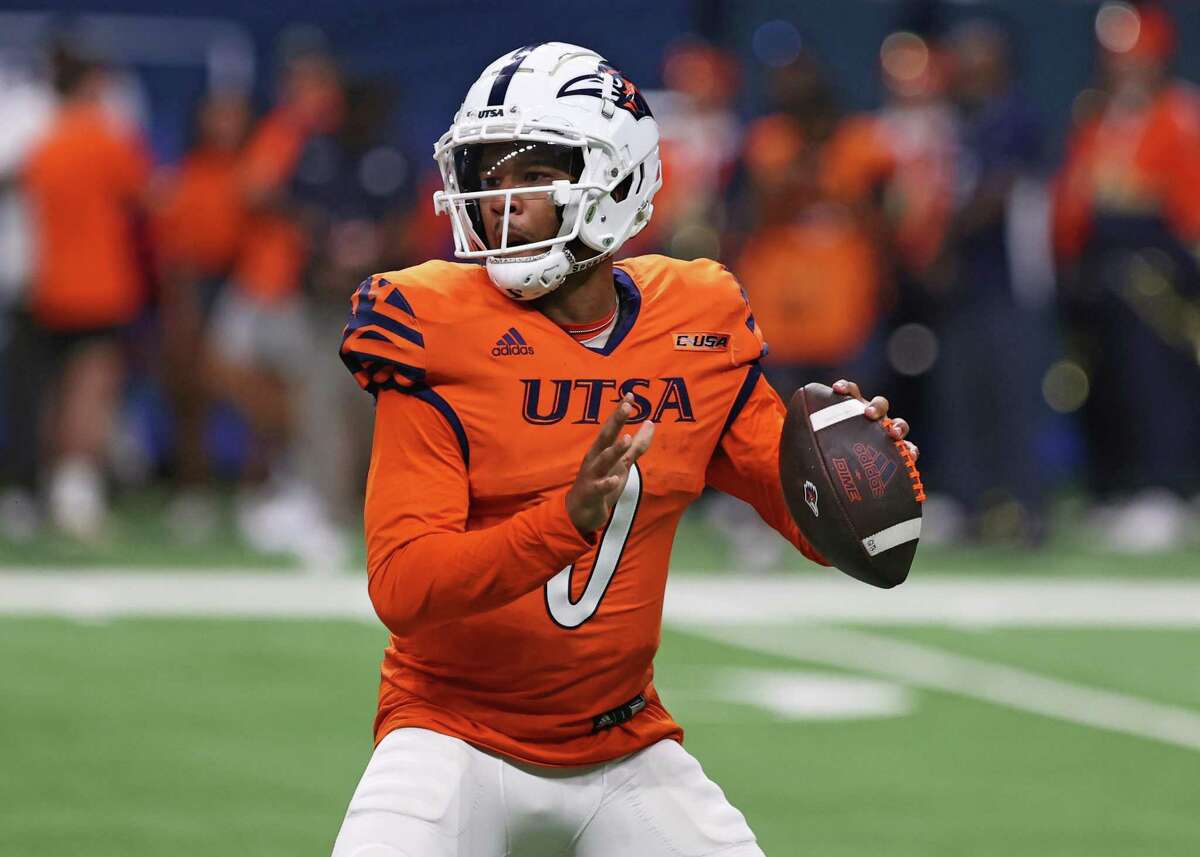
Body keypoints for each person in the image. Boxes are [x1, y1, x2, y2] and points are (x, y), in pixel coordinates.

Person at [331, 43, 917, 857]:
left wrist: (864, 477)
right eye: (485, 173)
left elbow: (807, 516)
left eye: (529, 173)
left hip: (622, 743)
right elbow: (403, 586)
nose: (499, 200)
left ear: (613, 179)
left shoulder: (698, 318)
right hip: (448, 731)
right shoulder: (431, 323)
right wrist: (561, 522)